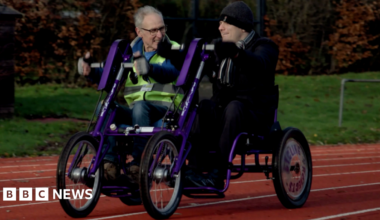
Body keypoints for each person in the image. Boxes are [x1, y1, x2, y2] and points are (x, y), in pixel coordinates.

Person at [79, 6, 183, 185]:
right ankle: (109, 164)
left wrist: (150, 69)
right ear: (139, 32)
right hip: (137, 113)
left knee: (141, 107)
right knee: (105, 106)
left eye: (162, 28)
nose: (159, 34)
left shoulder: (173, 49)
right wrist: (90, 72)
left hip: (166, 113)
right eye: (153, 30)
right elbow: (110, 75)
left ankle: (137, 164)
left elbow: (173, 71)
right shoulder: (129, 52)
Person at [185, 1, 279, 188]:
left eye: (225, 23)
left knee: (234, 108)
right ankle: (194, 170)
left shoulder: (265, 46)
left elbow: (258, 64)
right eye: (220, 23)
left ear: (242, 27)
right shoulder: (219, 48)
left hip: (255, 116)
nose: (220, 27)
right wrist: (175, 55)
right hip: (226, 113)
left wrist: (236, 54)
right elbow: (192, 65)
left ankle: (217, 174)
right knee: (204, 106)